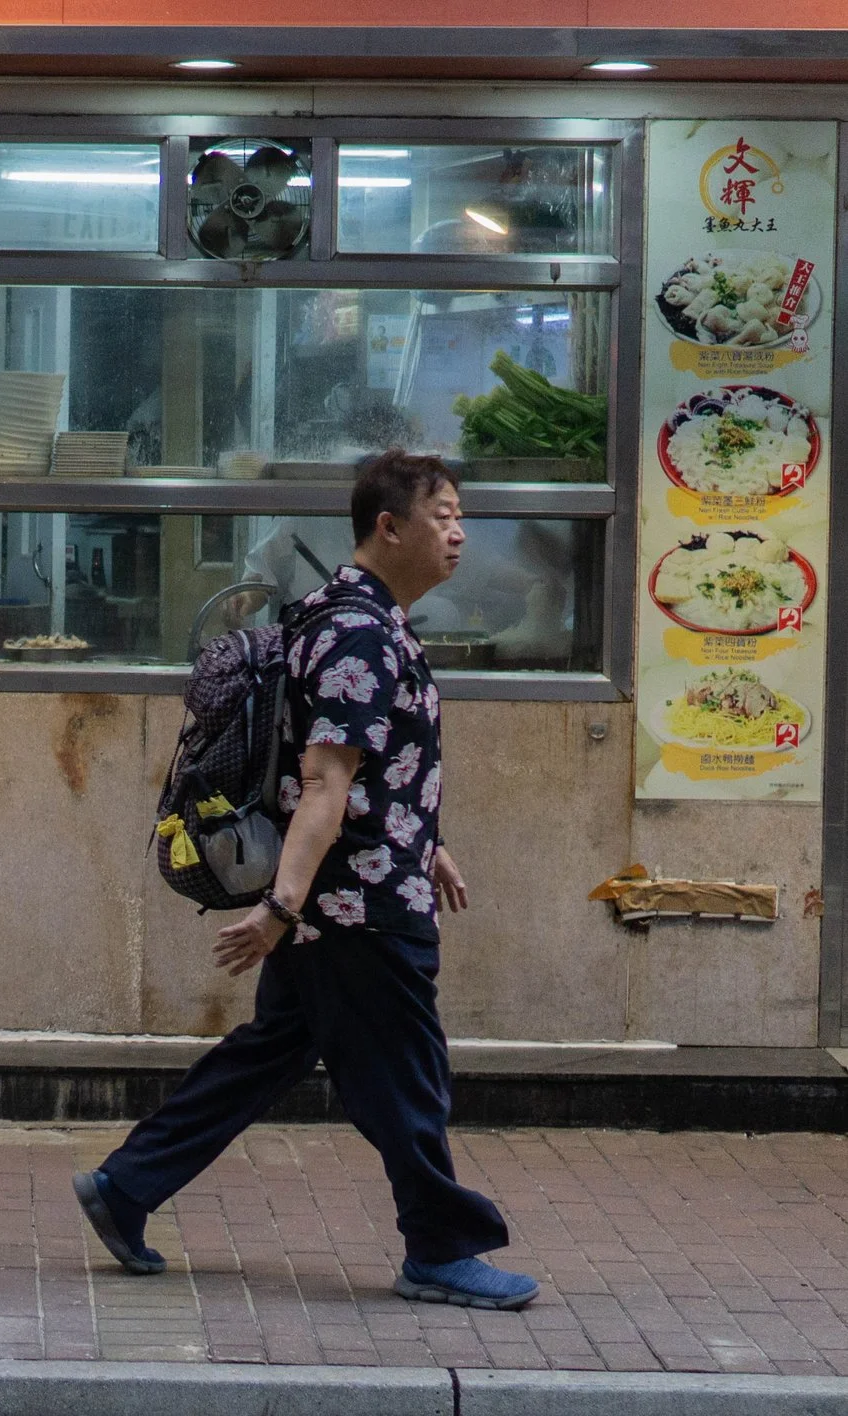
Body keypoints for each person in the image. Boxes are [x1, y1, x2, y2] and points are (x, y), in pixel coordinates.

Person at [75, 450, 538, 1312]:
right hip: (354, 907)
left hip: (352, 886)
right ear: (387, 527)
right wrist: (279, 910)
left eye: (461, 515)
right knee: (408, 1077)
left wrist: (420, 840)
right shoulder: (359, 633)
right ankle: (440, 1247)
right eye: (442, 516)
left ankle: (127, 1186)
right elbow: (323, 781)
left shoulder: (343, 615)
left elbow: (360, 774)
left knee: (267, 1055)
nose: (460, 532)